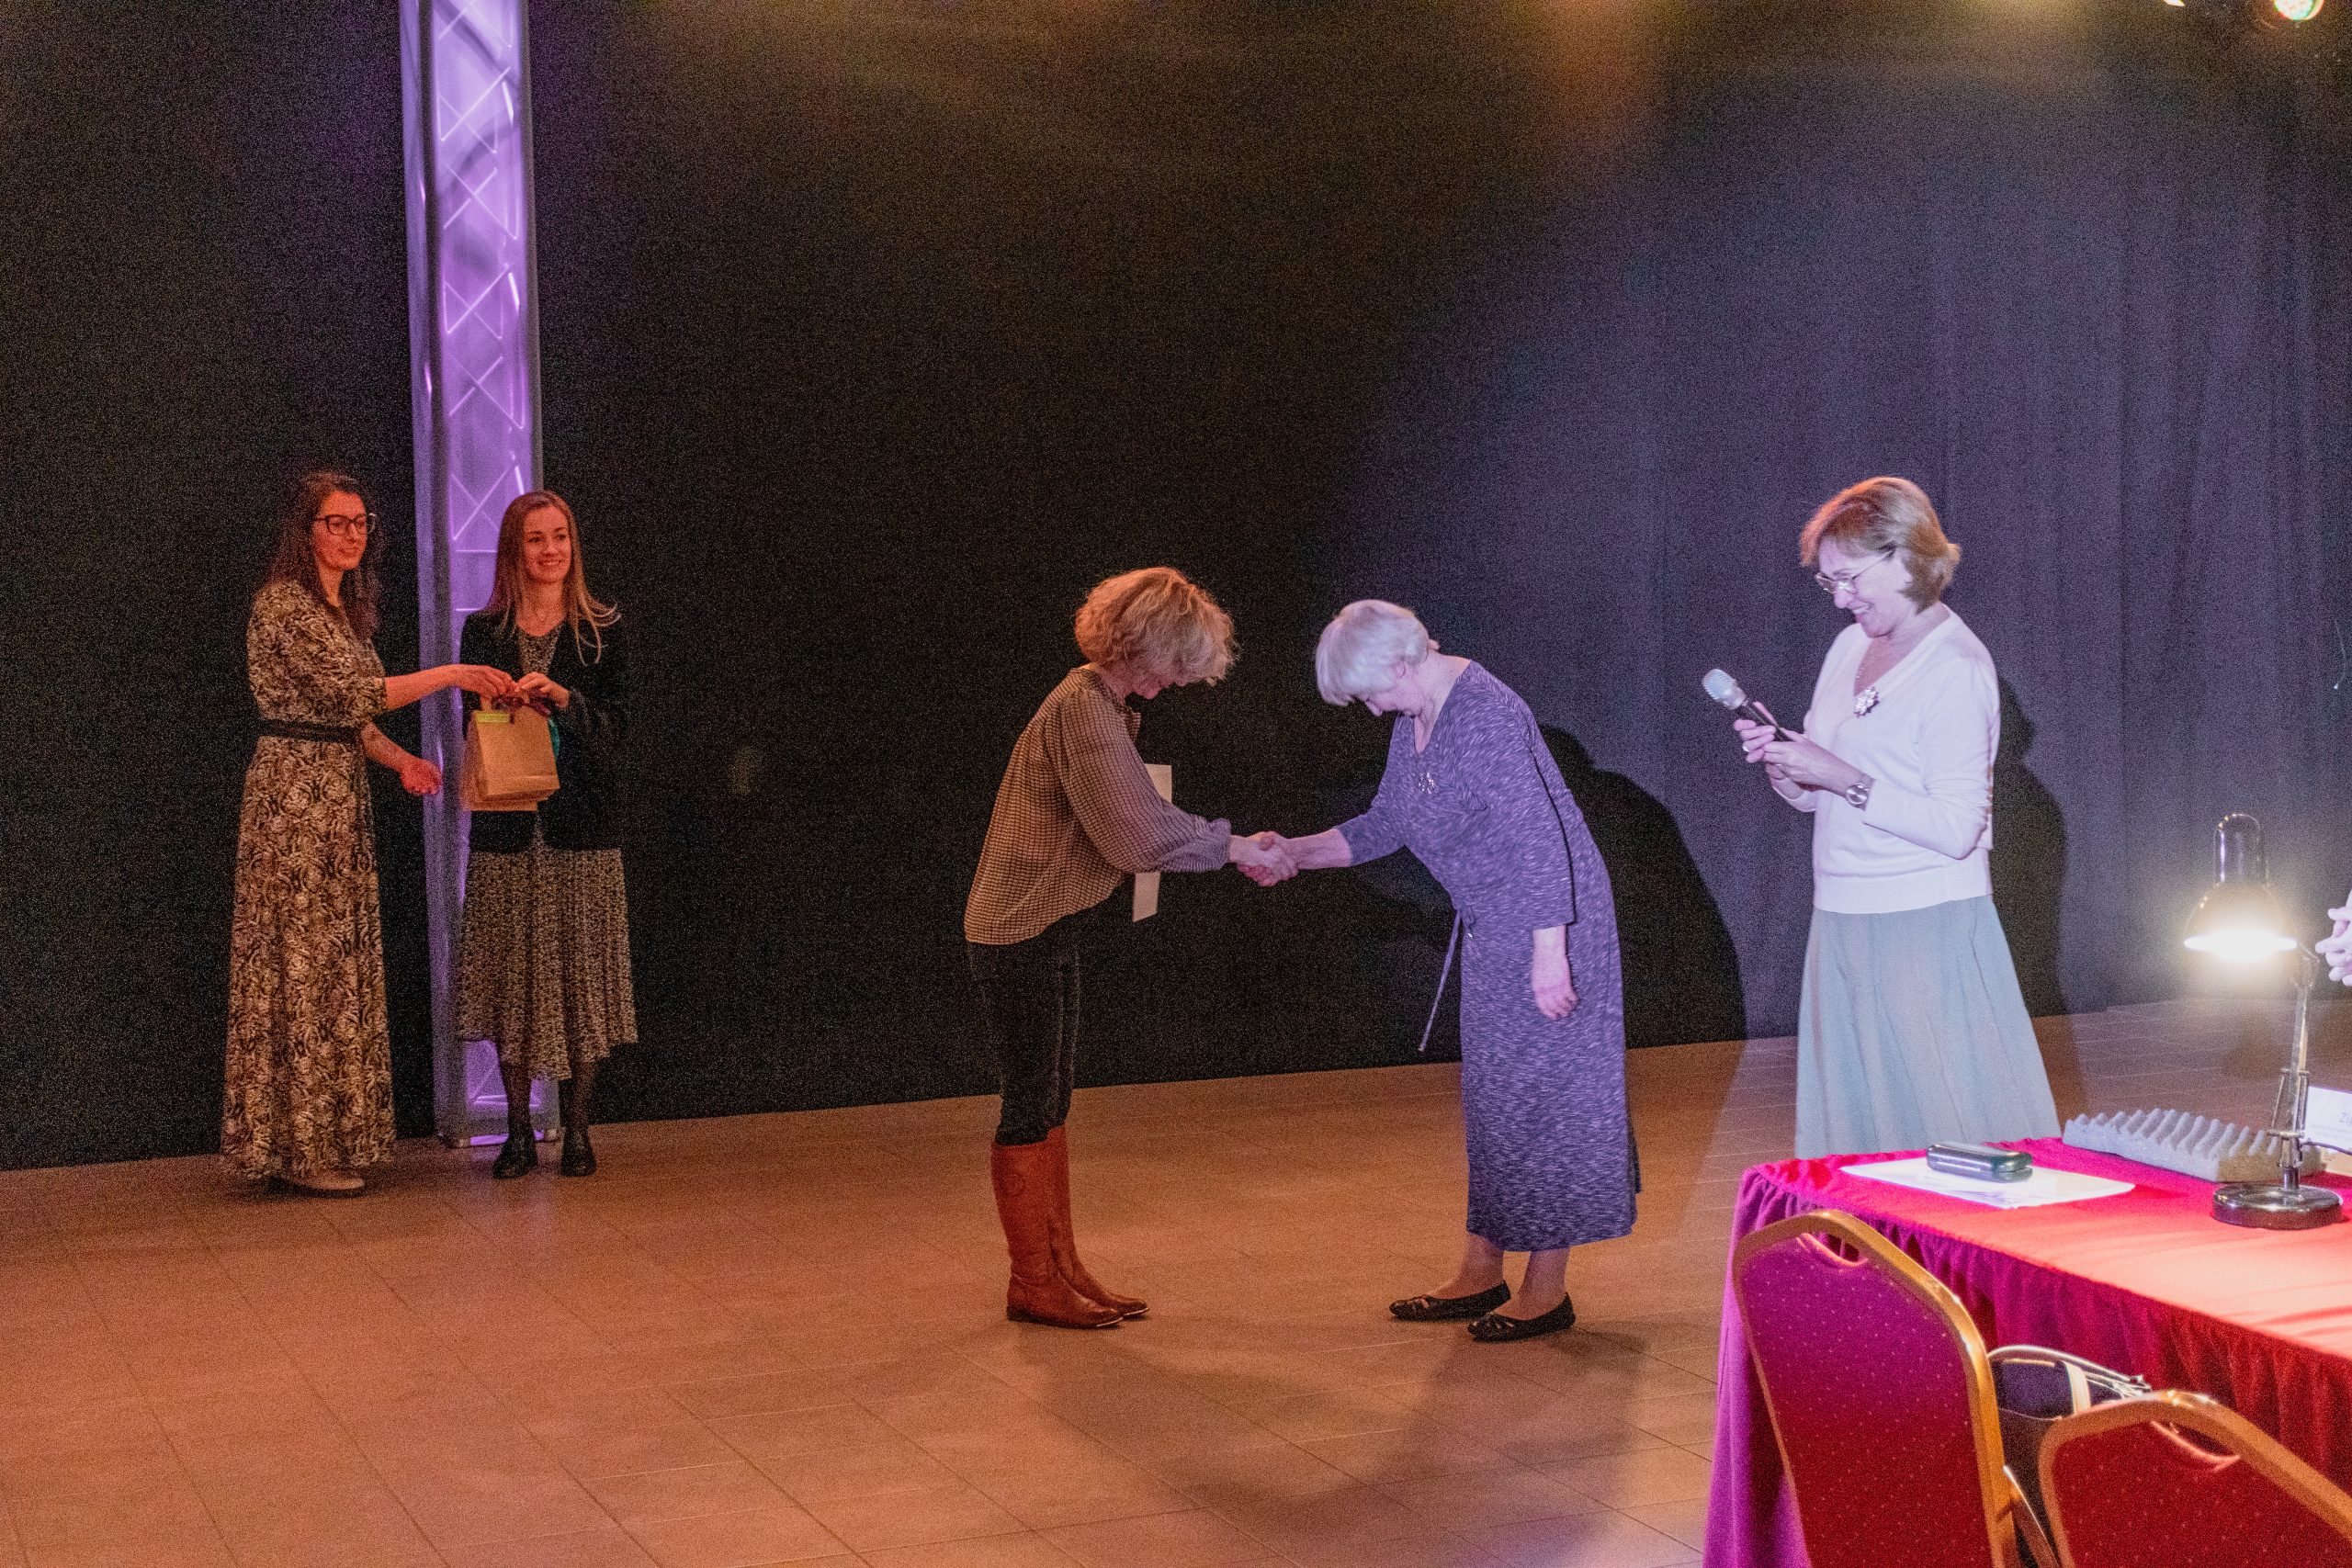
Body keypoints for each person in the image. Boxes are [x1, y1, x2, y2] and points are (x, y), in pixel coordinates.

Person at [1252, 601, 1634, 1342]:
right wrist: (1295, 852)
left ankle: (1546, 1288)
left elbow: (1539, 838)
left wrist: (1550, 952)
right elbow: (1386, 821)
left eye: (1368, 693)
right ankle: (1480, 1268)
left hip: (1554, 924)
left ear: (1400, 662)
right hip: (1498, 925)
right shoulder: (1417, 717)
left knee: (1547, 1099)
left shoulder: (1485, 713)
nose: (1369, 710)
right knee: (1494, 1099)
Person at [966, 568, 1294, 1328]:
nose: (1178, 680)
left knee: (1051, 1100)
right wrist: (1235, 845)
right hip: (1019, 930)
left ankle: (1061, 1268)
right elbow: (1136, 831)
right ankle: (1032, 1279)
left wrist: (1228, 844)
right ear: (1144, 643)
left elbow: (1133, 821)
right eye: (1177, 662)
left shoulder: (1102, 704)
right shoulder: (1084, 708)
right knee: (1030, 1102)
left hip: (1046, 926)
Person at [1734, 476, 2060, 1157]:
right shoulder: (1848, 648)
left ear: (1906, 557)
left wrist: (1839, 774)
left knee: (1946, 1136)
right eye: (1829, 583)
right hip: (1843, 918)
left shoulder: (1955, 667)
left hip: (1925, 924)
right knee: (1860, 1135)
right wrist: (1789, 767)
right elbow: (1821, 794)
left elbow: (1956, 828)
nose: (1841, 598)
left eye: (1850, 579)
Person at [225, 471, 515, 1195]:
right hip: (294, 800)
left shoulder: (342, 610)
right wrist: (453, 672)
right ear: (305, 531)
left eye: (361, 522)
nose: (351, 534)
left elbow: (350, 719)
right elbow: (356, 693)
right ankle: (298, 1147)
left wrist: (400, 760)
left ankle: (326, 1137)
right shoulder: (283, 605)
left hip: (337, 795)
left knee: (332, 965)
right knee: (299, 962)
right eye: (336, 522)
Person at [456, 491, 637, 1180]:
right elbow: (470, 724)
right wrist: (498, 702)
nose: (550, 550)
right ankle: (515, 1130)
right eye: (536, 539)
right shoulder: (484, 632)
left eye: (560, 536)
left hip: (581, 830)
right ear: (514, 550)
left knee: (580, 976)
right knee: (511, 979)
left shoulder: (601, 630)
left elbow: (620, 734)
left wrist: (564, 699)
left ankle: (579, 1127)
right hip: (507, 829)